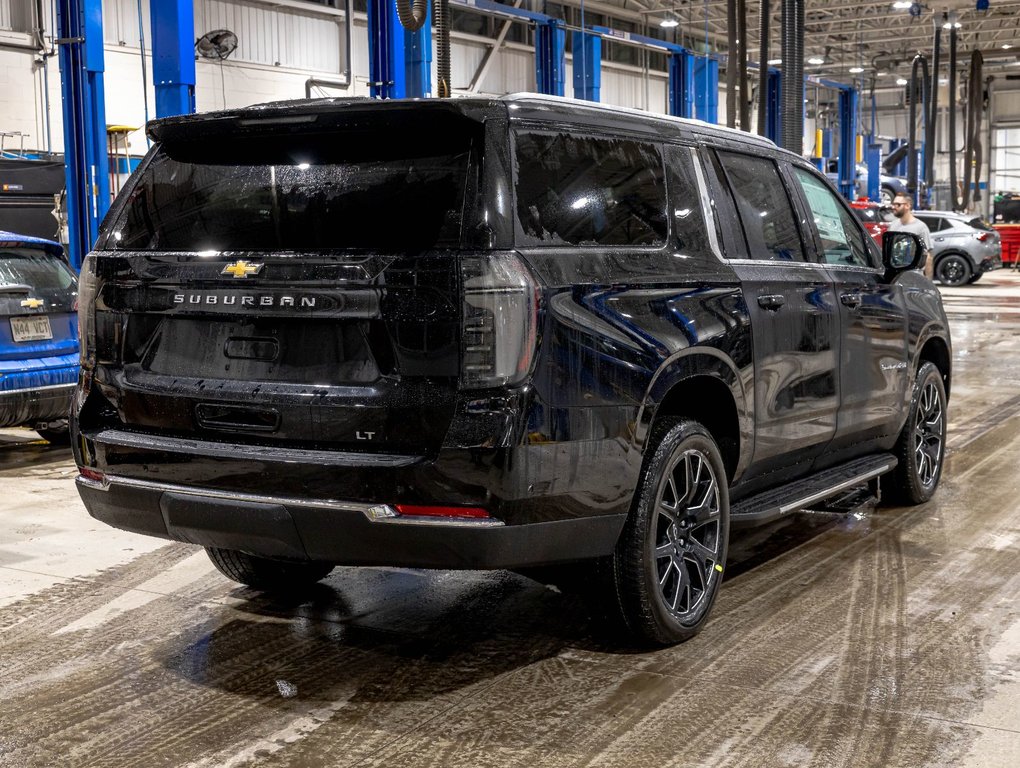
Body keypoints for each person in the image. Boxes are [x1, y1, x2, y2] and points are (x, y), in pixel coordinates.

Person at [888, 193, 934, 278]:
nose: (893, 207)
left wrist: (928, 281)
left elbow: (928, 257)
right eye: (893, 204)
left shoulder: (921, 227)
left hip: (914, 277)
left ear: (908, 206)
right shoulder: (893, 225)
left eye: (897, 204)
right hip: (896, 276)